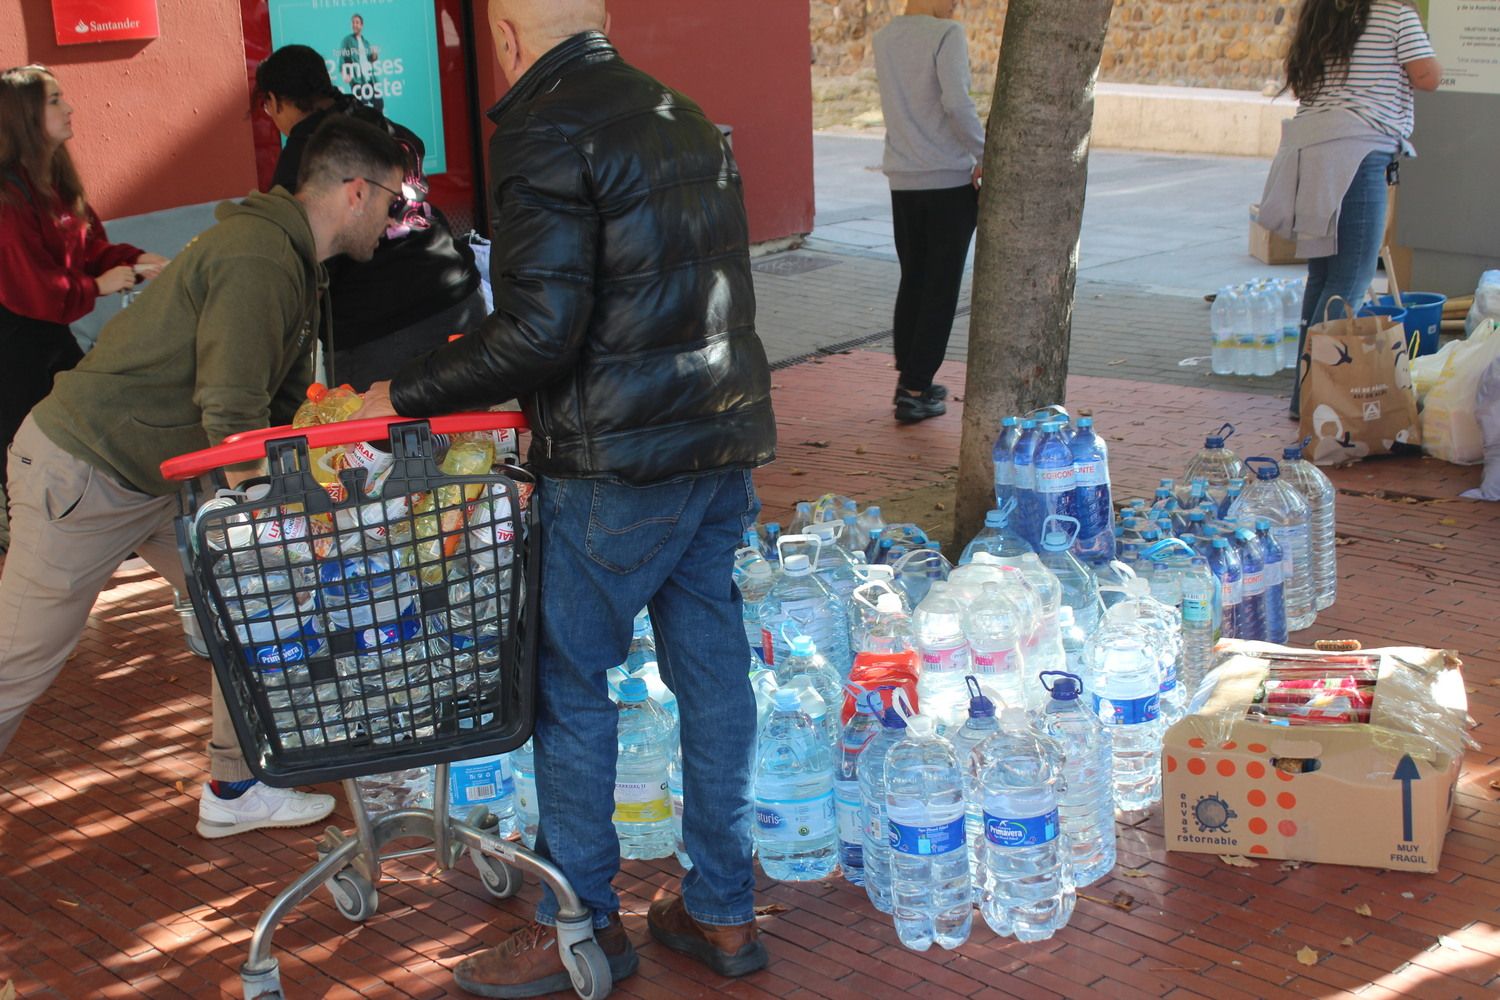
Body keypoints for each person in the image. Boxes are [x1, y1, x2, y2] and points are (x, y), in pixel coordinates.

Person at [356, 1, 777, 994]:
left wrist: (402, 393)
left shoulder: (546, 128)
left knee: (565, 681)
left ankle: (577, 923)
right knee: (715, 674)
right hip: (717, 447)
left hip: (615, 467)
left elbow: (542, 333)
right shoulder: (680, 112)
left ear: (505, 32)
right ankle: (722, 911)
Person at [0, 116, 407, 839]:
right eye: (393, 200)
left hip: (155, 474)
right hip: (86, 470)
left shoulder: (291, 258)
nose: (396, 217)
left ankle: (235, 785)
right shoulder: (259, 256)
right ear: (355, 192)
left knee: (251, 606)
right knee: (18, 660)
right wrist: (270, 513)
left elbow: (270, 411)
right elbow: (231, 409)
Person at [0, 65, 169, 546]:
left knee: (85, 432)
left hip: (46, 337)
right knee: (28, 456)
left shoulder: (54, 178)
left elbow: (90, 244)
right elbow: (32, 288)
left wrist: (133, 260)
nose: (69, 107)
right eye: (55, 100)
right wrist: (95, 286)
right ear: (25, 116)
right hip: (13, 348)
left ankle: (97, 537)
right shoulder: (8, 196)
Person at [255, 44, 484, 391]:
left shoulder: (307, 159)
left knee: (382, 444)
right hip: (457, 292)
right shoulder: (376, 122)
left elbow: (305, 260)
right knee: (468, 438)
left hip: (379, 329)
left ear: (274, 100)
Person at [1259, 0, 1439, 419]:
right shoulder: (1396, 15)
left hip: (1310, 150)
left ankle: (1303, 396)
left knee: (1323, 277)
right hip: (1359, 151)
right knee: (1351, 279)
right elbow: (1426, 76)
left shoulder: (1323, 11)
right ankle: (1320, 396)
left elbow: (1306, 85)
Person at [873, 0, 985, 424]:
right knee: (940, 287)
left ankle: (910, 380)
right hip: (947, 179)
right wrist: (983, 151)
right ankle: (916, 389)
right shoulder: (945, 34)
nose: (956, 5)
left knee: (915, 279)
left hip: (902, 176)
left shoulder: (885, 37)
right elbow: (957, 102)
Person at [337, 13, 382, 113]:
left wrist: (374, 56)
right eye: (353, 23)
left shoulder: (366, 42)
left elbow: (369, 58)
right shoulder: (347, 40)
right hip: (357, 79)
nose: (354, 25)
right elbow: (342, 57)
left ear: (362, 25)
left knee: (379, 103)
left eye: (357, 23)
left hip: (370, 79)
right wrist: (344, 73)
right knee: (362, 106)